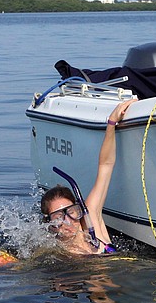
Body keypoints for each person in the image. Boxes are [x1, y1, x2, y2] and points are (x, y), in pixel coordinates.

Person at [40, 99, 135, 254]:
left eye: (71, 212)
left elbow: (106, 165)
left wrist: (111, 123)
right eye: (58, 217)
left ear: (79, 210)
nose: (67, 221)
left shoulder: (91, 223)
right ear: (49, 224)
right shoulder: (54, 251)